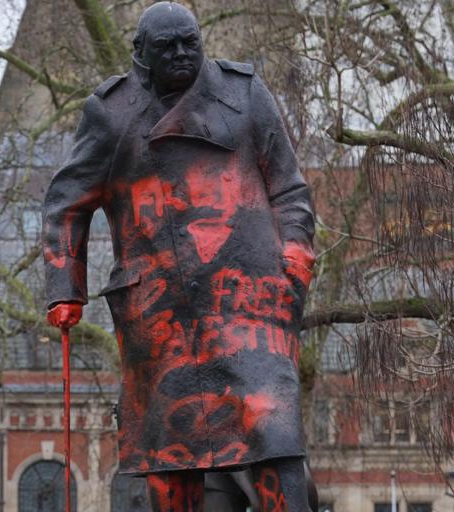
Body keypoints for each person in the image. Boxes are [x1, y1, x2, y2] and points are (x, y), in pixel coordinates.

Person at [42, 3, 315, 510]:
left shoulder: (244, 93)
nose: (182, 53)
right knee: (171, 455)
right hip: (160, 311)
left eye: (190, 42)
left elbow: (288, 187)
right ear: (141, 52)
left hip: (250, 299)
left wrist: (295, 259)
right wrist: (65, 288)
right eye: (168, 47)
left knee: (274, 430)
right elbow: (66, 203)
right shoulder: (111, 112)